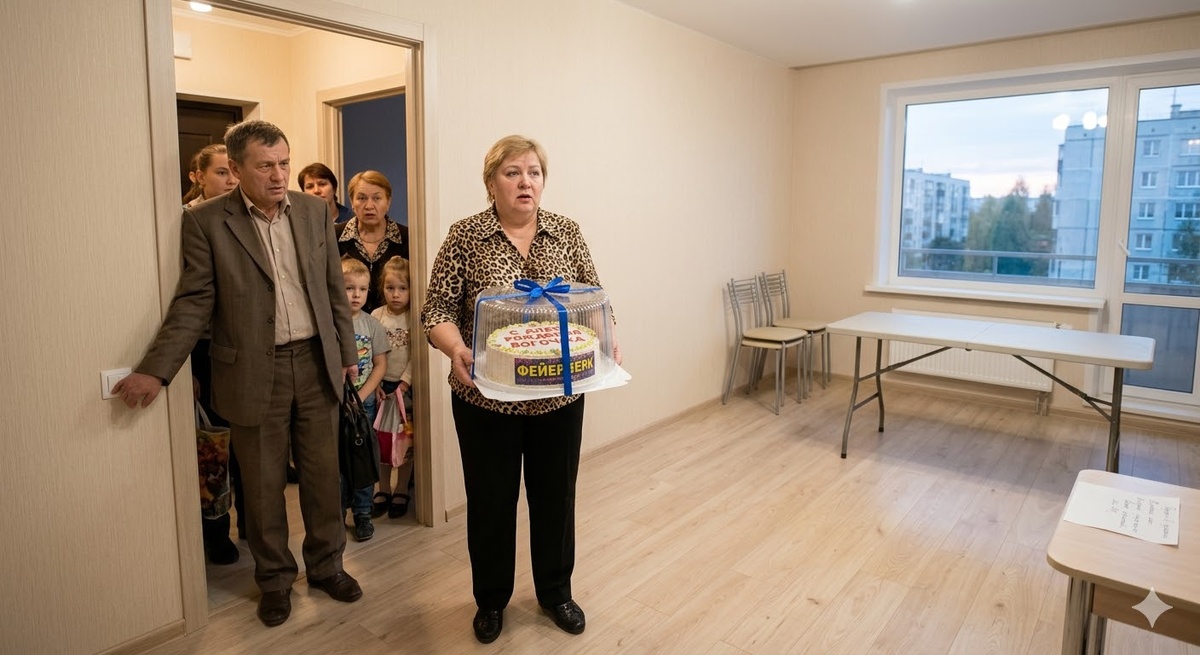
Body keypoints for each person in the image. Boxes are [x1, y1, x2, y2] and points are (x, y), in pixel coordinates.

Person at [112, 119, 364, 628]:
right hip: (251, 371)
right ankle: (274, 580)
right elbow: (194, 301)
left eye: (284, 163)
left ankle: (327, 567)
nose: (279, 175)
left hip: (315, 363)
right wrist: (155, 372)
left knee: (322, 477)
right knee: (264, 486)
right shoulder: (206, 221)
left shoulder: (314, 211)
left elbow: (332, 289)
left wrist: (346, 351)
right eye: (265, 165)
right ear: (237, 167)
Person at [422, 135, 622, 644]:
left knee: (556, 499)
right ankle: (491, 600)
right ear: (491, 183)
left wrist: (608, 340)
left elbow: (595, 297)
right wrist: (455, 348)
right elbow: (436, 309)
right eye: (512, 172)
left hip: (559, 396)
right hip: (486, 398)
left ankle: (556, 592)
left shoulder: (566, 232)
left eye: (533, 172)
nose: (525, 181)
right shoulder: (466, 236)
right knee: (491, 502)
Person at [340, 257, 389, 542]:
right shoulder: (330, 324)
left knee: (362, 459)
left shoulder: (372, 326)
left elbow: (380, 365)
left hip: (363, 404)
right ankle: (337, 514)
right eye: (349, 288)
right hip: (335, 404)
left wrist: (361, 395)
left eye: (362, 289)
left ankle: (362, 512)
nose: (356, 295)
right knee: (337, 461)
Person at [370, 256, 414, 519]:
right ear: (382, 288)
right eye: (390, 288)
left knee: (405, 441)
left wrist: (405, 382)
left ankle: (402, 488)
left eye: (402, 288)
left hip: (405, 390)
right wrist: (376, 382)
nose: (396, 294)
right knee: (382, 441)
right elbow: (373, 352)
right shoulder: (376, 316)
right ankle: (383, 487)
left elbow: (416, 355)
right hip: (381, 389)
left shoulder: (413, 317)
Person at [336, 170, 409, 313]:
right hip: (346, 321)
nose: (369, 206)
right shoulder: (334, 236)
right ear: (352, 202)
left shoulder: (407, 238)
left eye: (377, 198)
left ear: (388, 202)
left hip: (394, 322)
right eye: (362, 198)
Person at [182, 144, 238, 209]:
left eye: (236, 172)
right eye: (222, 173)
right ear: (201, 177)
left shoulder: (246, 210)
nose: (232, 181)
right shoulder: (186, 213)